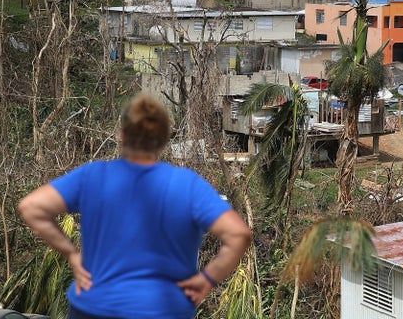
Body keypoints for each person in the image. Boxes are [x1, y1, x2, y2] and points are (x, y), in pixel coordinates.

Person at [19, 94, 252, 319]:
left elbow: (32, 207)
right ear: (163, 139)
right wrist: (207, 279)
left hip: (94, 307)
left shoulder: (92, 177)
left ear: (122, 136)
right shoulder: (188, 185)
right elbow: (239, 234)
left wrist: (72, 254)